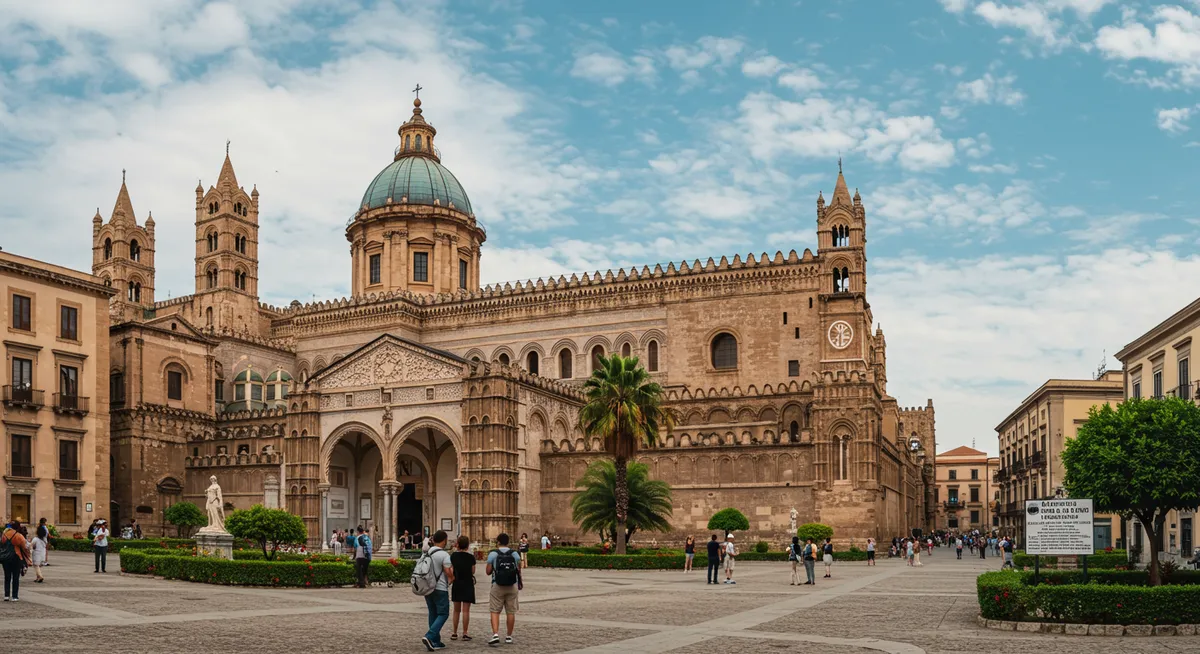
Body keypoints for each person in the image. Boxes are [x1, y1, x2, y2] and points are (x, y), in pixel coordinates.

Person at [420, 530, 454, 652]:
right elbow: (448, 572)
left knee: (433, 613)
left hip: (427, 587)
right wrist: (452, 578)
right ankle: (430, 635)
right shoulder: (444, 555)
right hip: (440, 587)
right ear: (444, 540)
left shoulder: (425, 553)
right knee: (443, 613)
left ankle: (436, 641)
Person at [486, 532, 521, 646]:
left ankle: (495, 634)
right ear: (508, 542)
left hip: (497, 585)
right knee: (510, 612)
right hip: (512, 585)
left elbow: (488, 571)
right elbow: (519, 569)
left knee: (495, 610)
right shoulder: (515, 554)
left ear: (498, 542)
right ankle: (509, 636)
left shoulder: (493, 554)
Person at [449, 535, 475, 642]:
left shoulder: (453, 556)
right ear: (468, 545)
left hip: (457, 583)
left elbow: (451, 569)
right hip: (468, 583)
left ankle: (454, 632)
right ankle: (465, 633)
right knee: (466, 611)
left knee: (456, 610)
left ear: (458, 544)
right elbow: (473, 571)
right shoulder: (471, 557)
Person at [2, 521, 32, 601]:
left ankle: (6, 595)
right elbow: (25, 547)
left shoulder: (4, 534)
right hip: (16, 556)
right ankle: (14, 596)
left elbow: (2, 543)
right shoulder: (18, 536)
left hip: (5, 557)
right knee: (15, 577)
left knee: (7, 576)